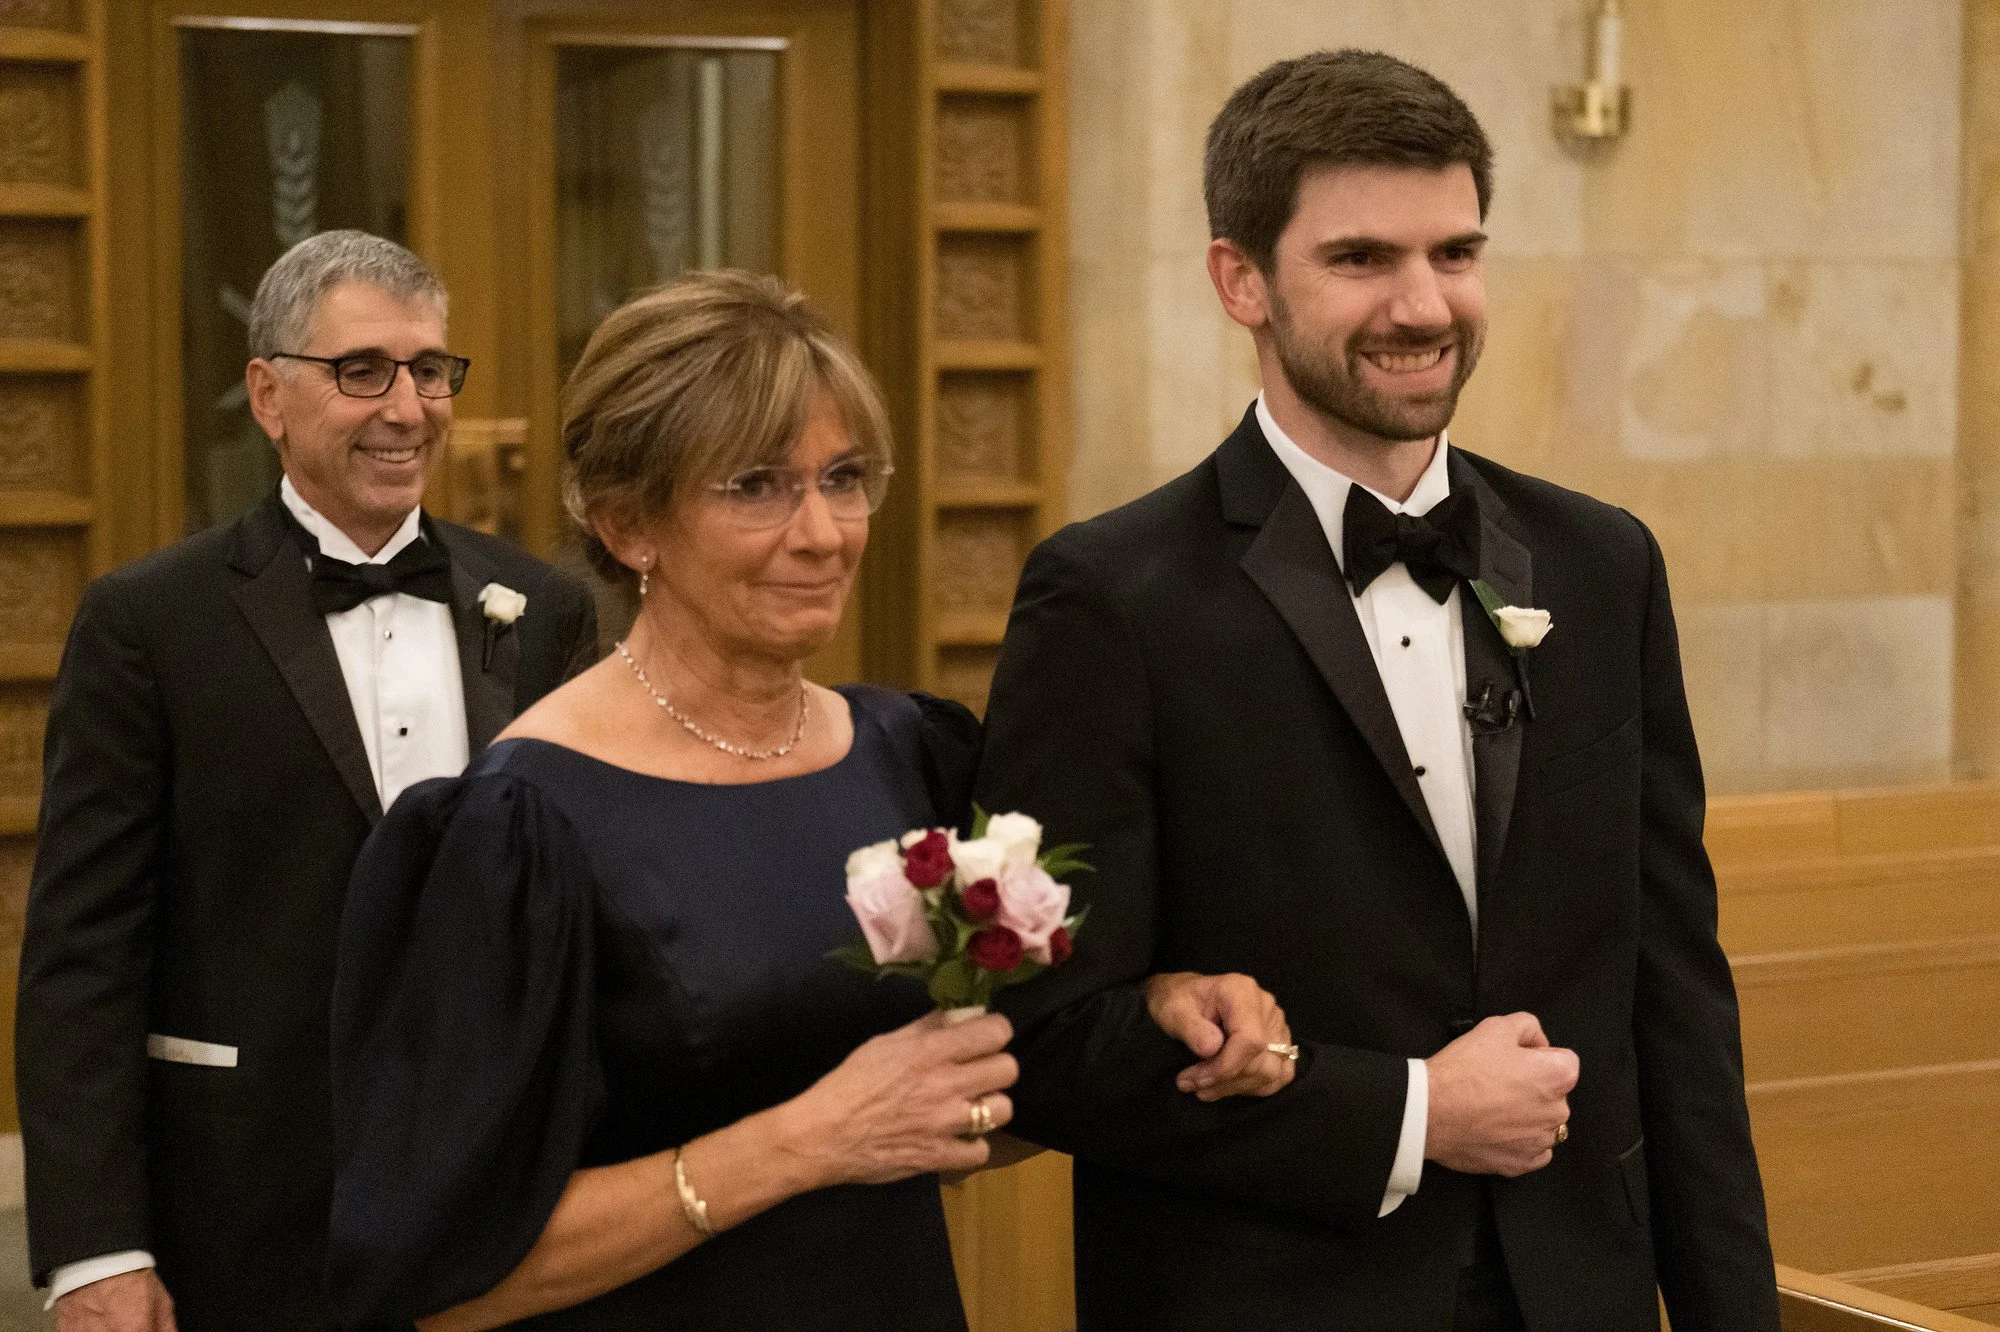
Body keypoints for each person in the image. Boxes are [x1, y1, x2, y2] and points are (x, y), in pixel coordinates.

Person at [979, 50, 1781, 1331]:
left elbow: (1673, 993)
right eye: (1360, 260)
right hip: (1272, 1294)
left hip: (1577, 1292)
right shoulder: (1110, 600)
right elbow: (1052, 1044)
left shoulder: (1600, 561)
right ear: (1239, 277)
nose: (1423, 305)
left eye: (1453, 254)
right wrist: (1413, 1114)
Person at [327, 270, 1294, 1331]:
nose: (823, 532)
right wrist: (806, 1141)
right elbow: (448, 1288)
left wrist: (1155, 1011)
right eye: (754, 487)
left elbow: (980, 1110)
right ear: (626, 524)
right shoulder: (522, 826)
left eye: (842, 478)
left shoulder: (909, 756)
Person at [16, 230, 601, 1332]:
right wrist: (96, 1247)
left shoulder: (541, 609)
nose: (407, 405)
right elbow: (81, 956)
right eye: (362, 370)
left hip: (500, 1208)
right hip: (242, 1213)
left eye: (429, 371)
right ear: (268, 395)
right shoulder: (150, 623)